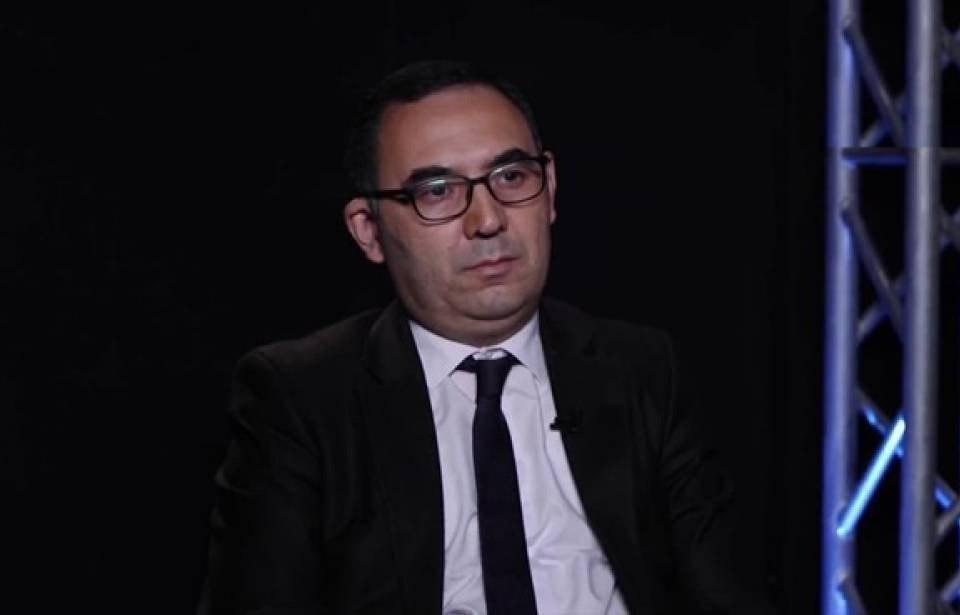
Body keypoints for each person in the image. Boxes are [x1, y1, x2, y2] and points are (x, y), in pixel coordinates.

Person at [198, 59, 772, 615]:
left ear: (550, 189)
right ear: (368, 231)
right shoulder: (302, 397)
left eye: (511, 177)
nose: (488, 220)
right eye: (438, 191)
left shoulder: (643, 370)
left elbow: (728, 598)